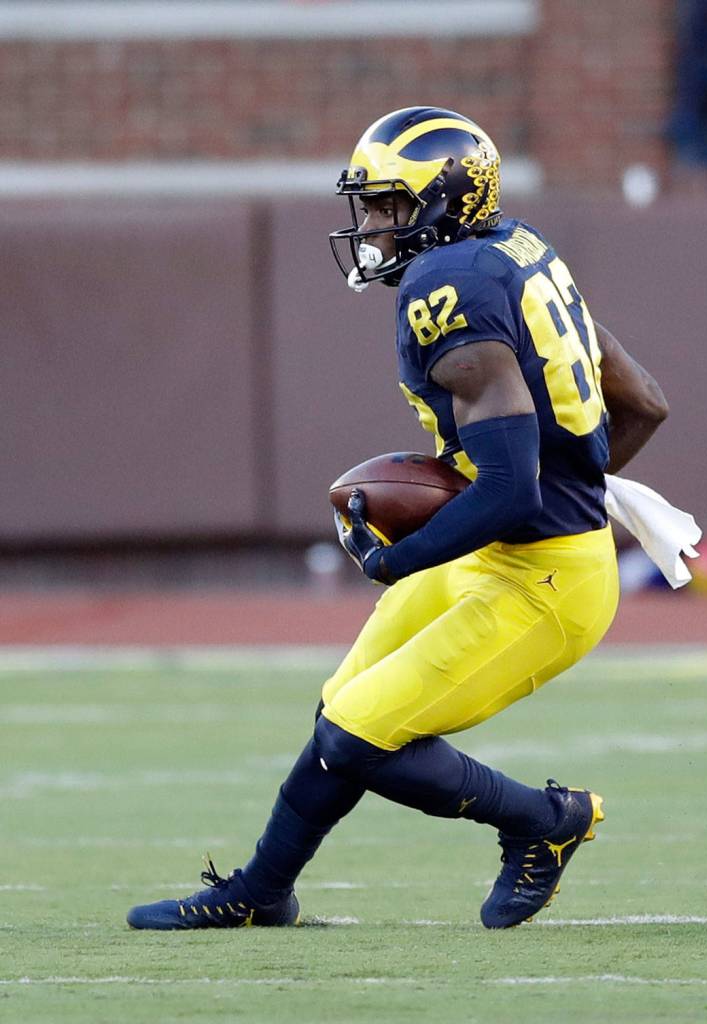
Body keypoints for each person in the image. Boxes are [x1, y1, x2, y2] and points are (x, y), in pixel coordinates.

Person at [127, 106, 668, 932]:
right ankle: (262, 890)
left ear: (445, 201)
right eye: (369, 205)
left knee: (358, 736)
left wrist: (394, 558)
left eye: (388, 205)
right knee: (340, 714)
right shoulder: (516, 248)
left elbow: (512, 491)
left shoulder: (448, 288)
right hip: (501, 552)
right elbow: (645, 403)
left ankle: (544, 820)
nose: (372, 226)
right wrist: (575, 483)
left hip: (545, 581)